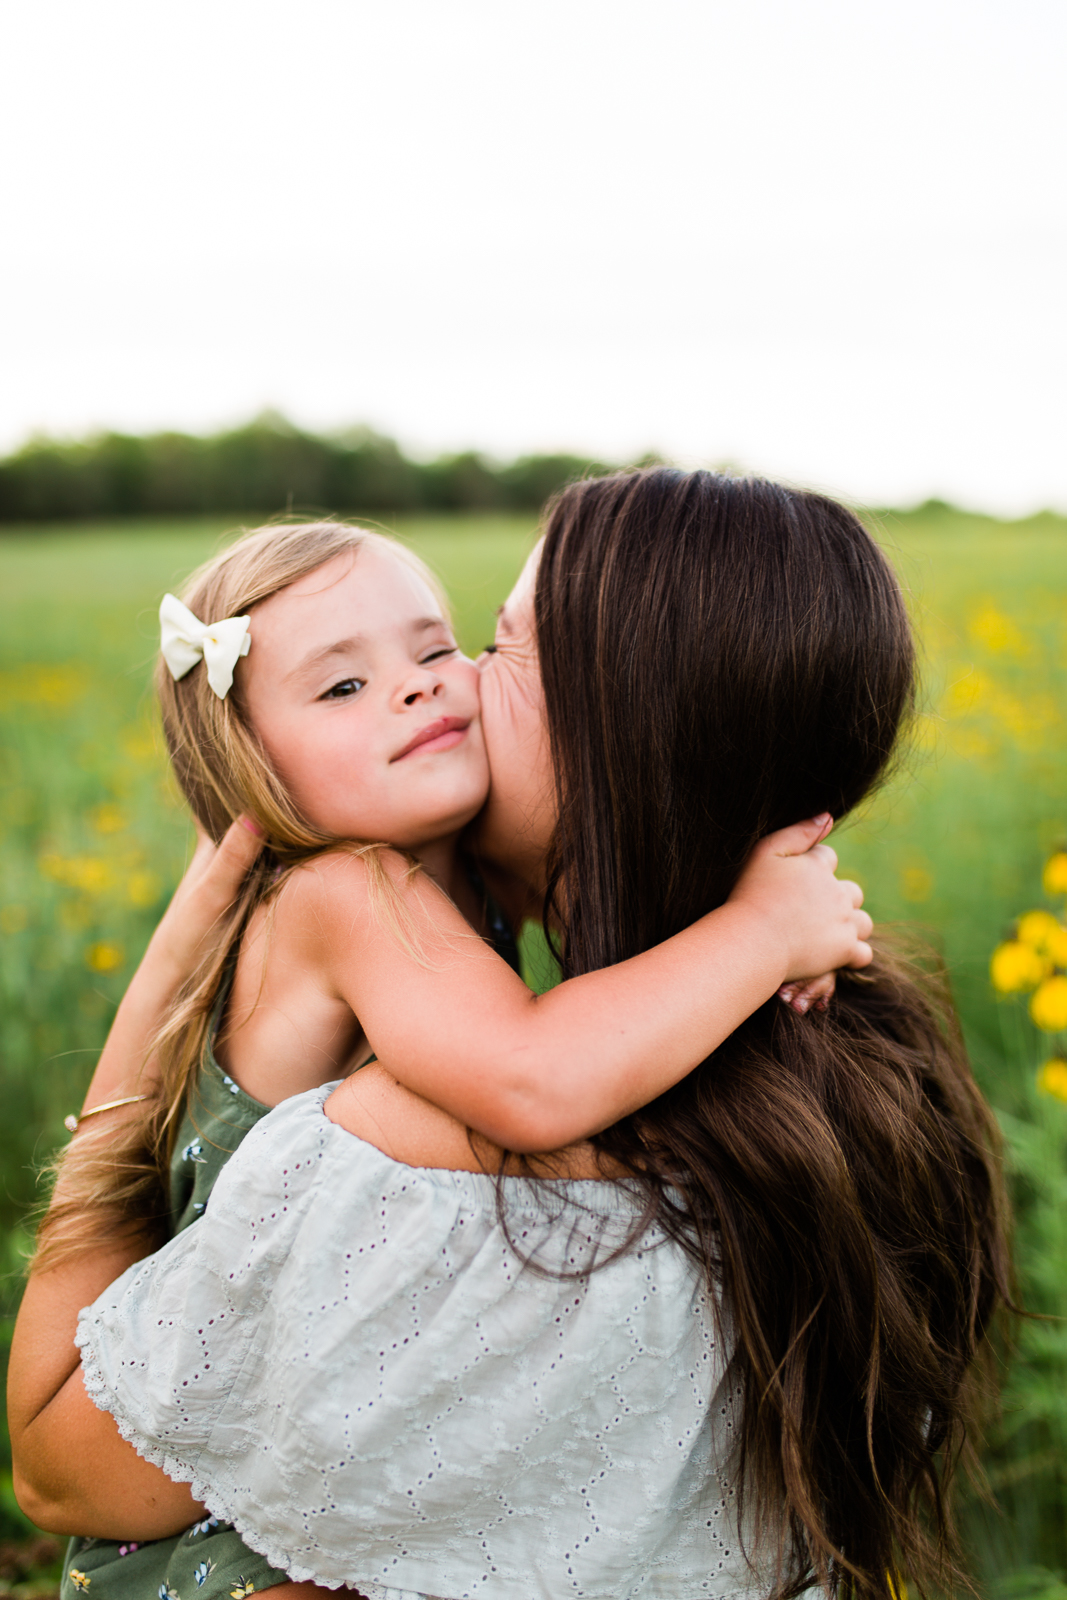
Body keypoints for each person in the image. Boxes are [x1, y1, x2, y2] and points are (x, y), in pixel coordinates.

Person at [10, 472, 1010, 1600]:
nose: (445, 690)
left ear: (626, 732)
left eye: (477, 646)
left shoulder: (409, 1147)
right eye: (344, 684)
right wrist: (761, 931)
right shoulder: (854, 1073)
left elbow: (58, 1469)